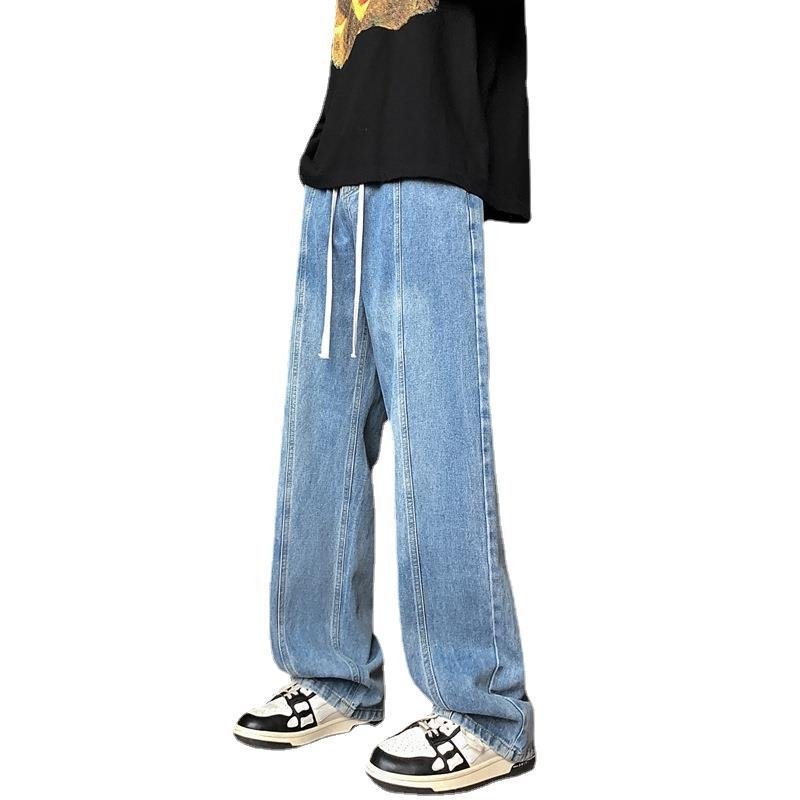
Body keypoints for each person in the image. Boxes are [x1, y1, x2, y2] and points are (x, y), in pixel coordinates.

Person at [234, 1, 535, 792]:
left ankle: (485, 711)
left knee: (439, 443)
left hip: (429, 165)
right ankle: (330, 671)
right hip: (338, 173)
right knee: (318, 436)